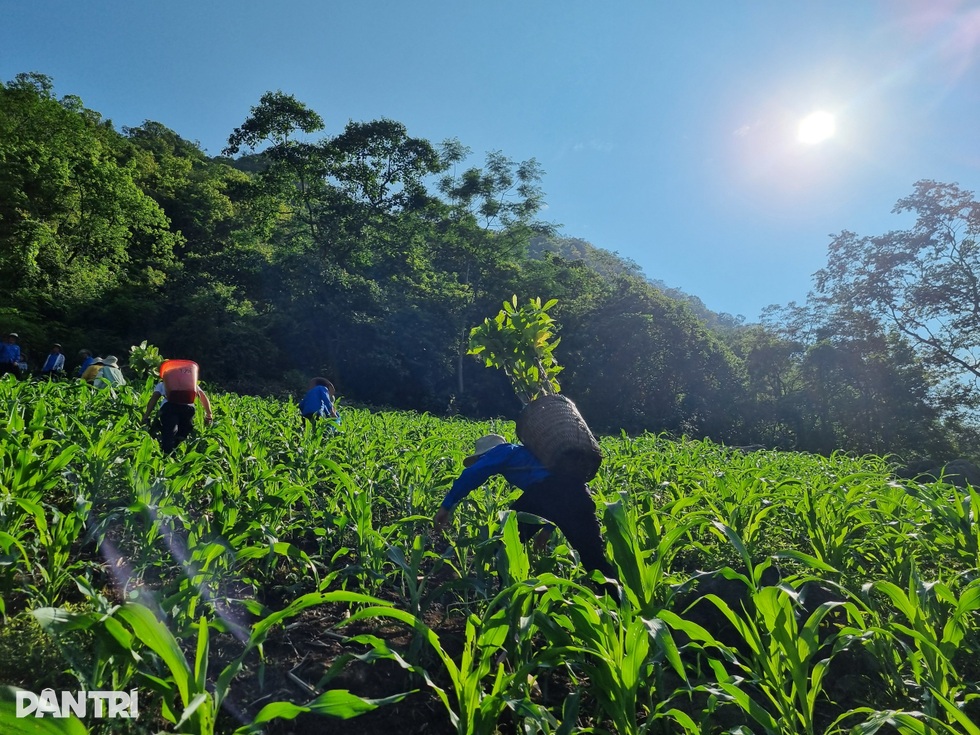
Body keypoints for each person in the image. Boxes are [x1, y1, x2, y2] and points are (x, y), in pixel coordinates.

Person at [433, 434, 618, 594]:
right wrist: (546, 529)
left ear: (486, 453)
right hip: (580, 494)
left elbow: (474, 473)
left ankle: (506, 598)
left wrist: (447, 505)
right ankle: (621, 606)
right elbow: (562, 493)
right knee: (594, 558)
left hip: (543, 492)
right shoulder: (533, 457)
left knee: (503, 545)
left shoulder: (504, 450)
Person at [141, 369, 213, 454]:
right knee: (182, 435)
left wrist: (146, 415)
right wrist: (209, 414)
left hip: (169, 407)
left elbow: (154, 398)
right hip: (187, 408)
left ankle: (167, 456)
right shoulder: (190, 384)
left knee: (169, 433)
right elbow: (203, 397)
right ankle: (179, 455)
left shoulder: (164, 384)